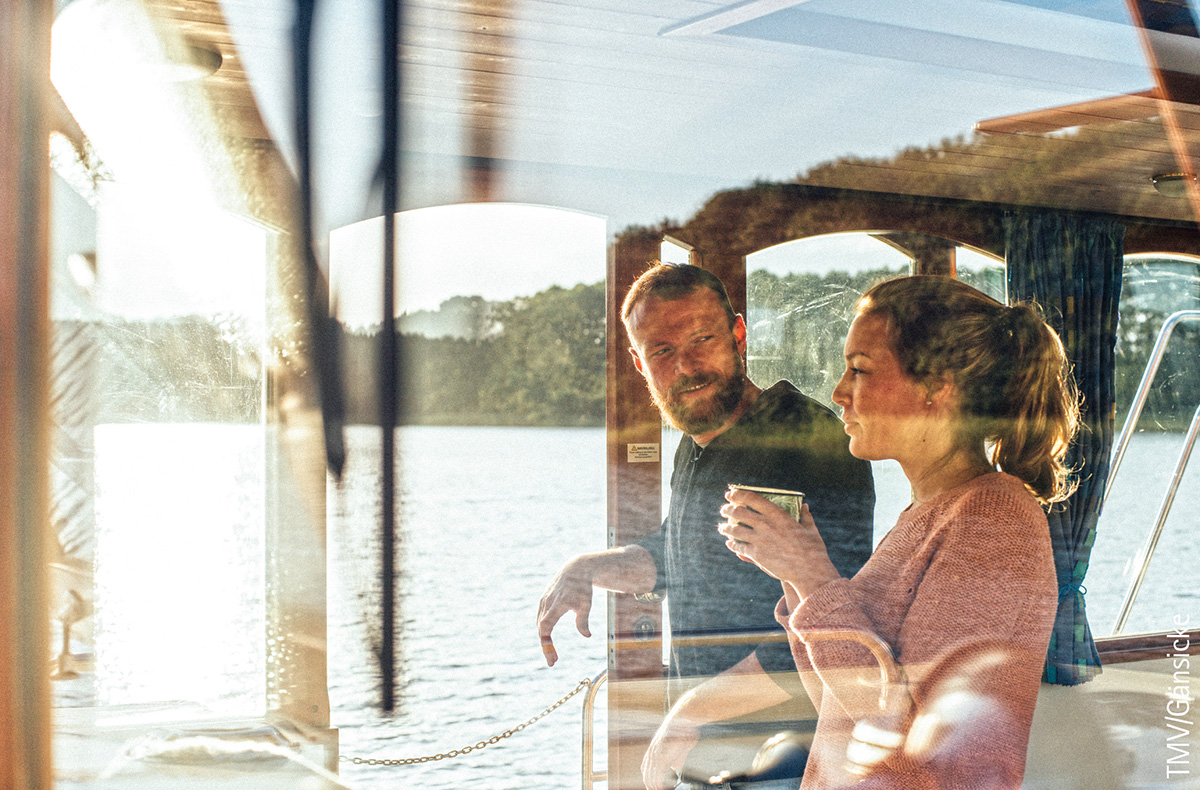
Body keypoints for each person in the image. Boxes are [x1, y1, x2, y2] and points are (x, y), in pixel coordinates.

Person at [719, 275, 1078, 789]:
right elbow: (838, 707)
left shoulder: (995, 521)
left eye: (859, 370)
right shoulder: (927, 514)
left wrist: (812, 574)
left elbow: (919, 747)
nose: (839, 392)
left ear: (937, 386)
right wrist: (793, 573)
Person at [536, 262, 875, 790]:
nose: (687, 367)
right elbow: (676, 555)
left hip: (793, 760)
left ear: (739, 334)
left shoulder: (807, 437)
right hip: (710, 758)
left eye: (702, 339)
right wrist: (588, 568)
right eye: (662, 351)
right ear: (639, 362)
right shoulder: (696, 445)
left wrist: (690, 710)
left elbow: (839, 618)